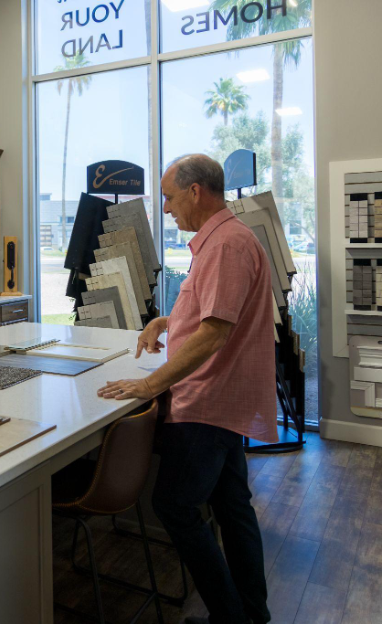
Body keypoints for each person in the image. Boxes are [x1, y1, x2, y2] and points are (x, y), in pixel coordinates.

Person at [97, 154, 276, 624]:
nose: (166, 208)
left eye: (169, 198)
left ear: (195, 192)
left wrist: (148, 384)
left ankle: (230, 616)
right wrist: (167, 320)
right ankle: (251, 614)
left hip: (206, 403)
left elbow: (214, 334)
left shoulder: (225, 246)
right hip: (223, 401)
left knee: (173, 505)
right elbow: (212, 313)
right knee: (232, 508)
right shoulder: (226, 239)